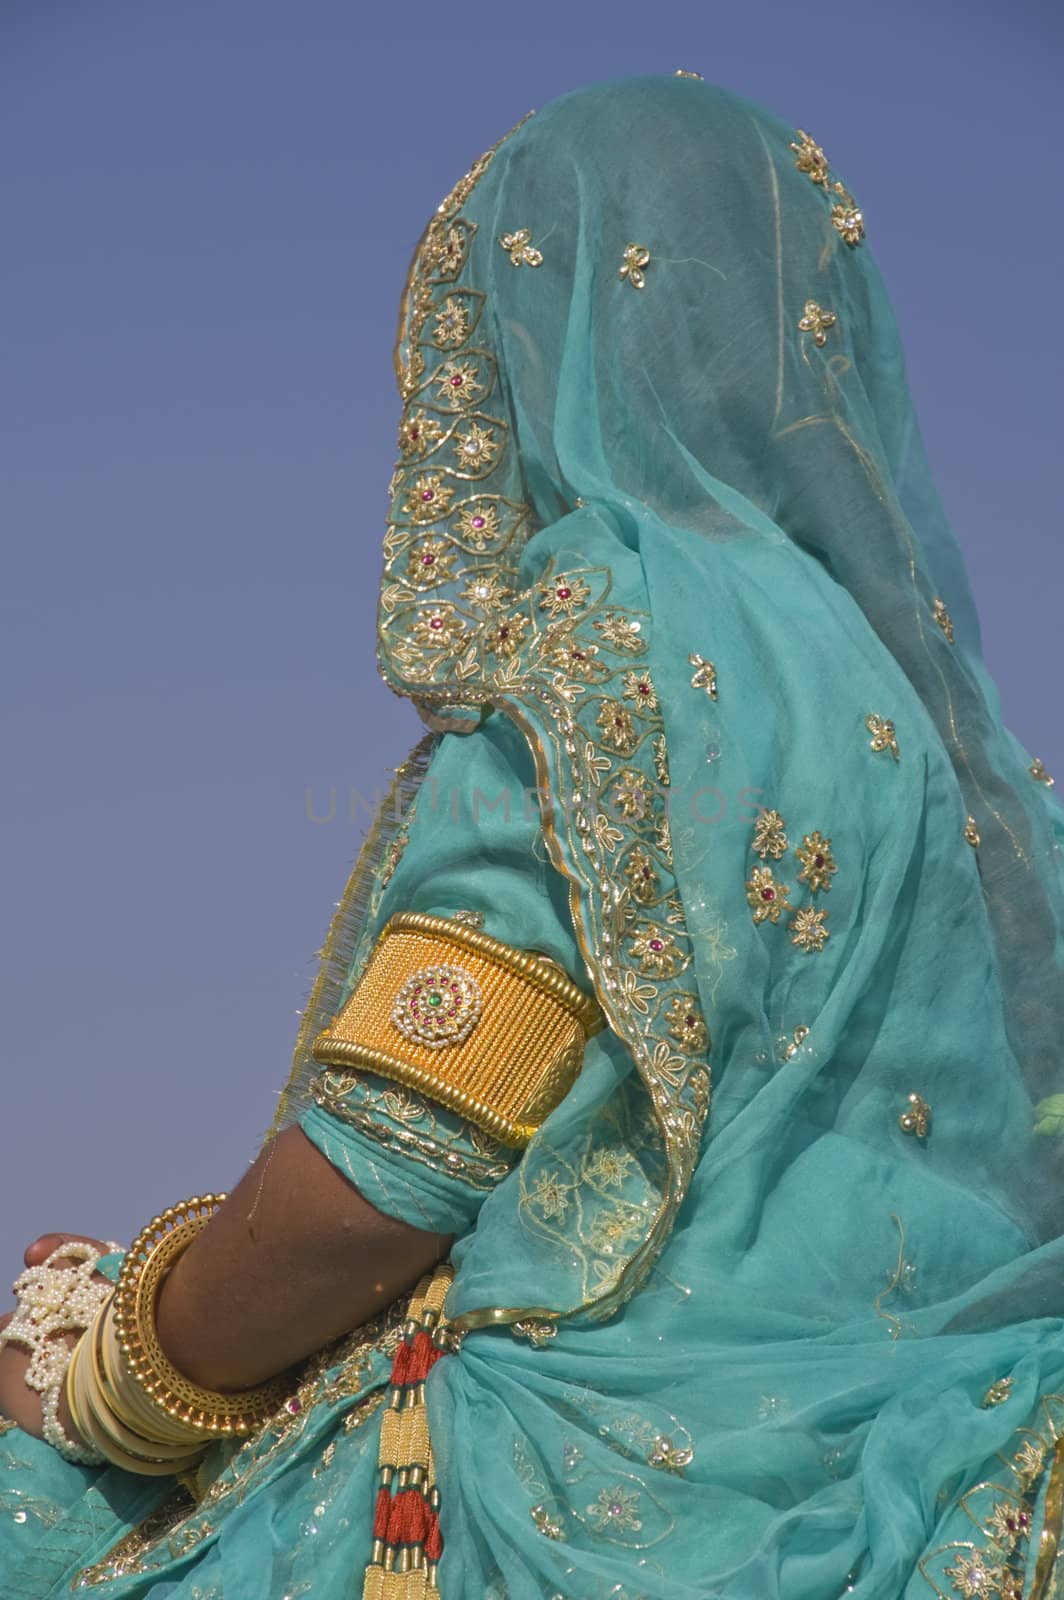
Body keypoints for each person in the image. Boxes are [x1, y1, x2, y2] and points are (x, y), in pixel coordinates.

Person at [1, 70, 1062, 1600]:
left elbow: (398, 1162)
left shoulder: (608, 635)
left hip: (585, 1486)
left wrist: (111, 1369)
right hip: (919, 1447)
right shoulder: (940, 731)